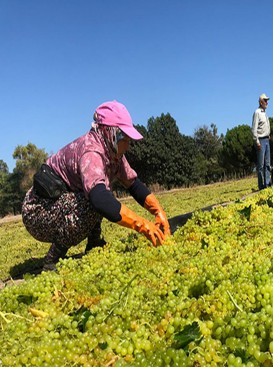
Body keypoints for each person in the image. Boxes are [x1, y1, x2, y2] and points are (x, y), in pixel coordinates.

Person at [21, 101, 168, 271]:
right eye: (124, 137)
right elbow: (99, 199)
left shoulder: (113, 154)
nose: (127, 144)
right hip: (38, 213)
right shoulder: (91, 151)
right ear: (109, 132)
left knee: (98, 193)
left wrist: (158, 211)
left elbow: (133, 184)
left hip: (60, 206)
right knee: (93, 200)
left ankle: (94, 242)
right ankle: (52, 259)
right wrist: (142, 225)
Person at [252, 93, 272, 190]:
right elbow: (254, 129)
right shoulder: (257, 112)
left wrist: (268, 135)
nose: (267, 102)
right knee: (261, 165)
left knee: (268, 164)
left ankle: (267, 184)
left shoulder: (264, 112)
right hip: (261, 140)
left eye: (267, 100)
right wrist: (257, 142)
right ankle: (261, 186)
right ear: (260, 102)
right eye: (265, 100)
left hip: (267, 139)